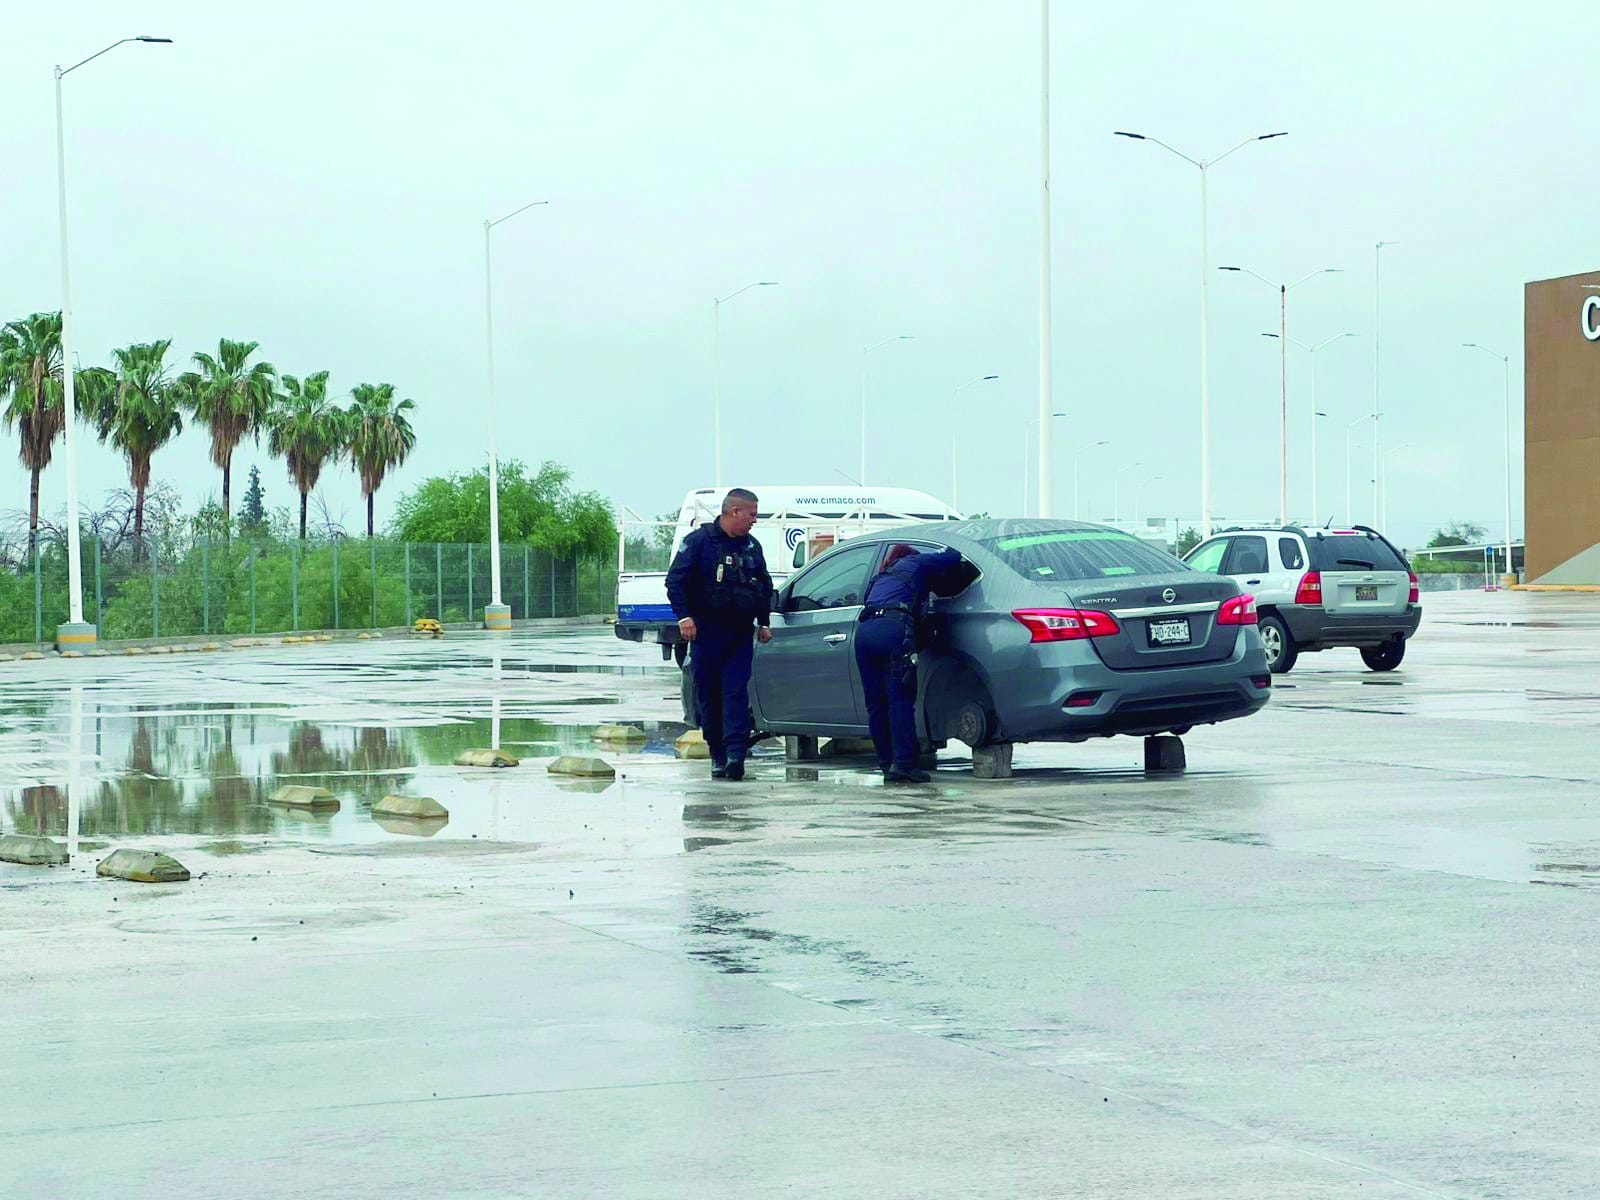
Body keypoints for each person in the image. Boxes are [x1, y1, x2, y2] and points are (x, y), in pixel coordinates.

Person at [665, 488, 773, 781]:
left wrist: (764, 622)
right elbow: (675, 581)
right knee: (709, 695)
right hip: (706, 632)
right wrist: (684, 617)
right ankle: (718, 755)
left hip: (739, 633)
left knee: (736, 693)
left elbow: (764, 585)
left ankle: (736, 754)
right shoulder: (699, 542)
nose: (755, 520)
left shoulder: (751, 547)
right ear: (734, 512)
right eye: (752, 514)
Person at [855, 543, 964, 784]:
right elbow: (953, 556)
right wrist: (948, 540)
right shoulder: (915, 563)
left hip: (864, 633)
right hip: (893, 630)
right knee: (900, 700)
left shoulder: (880, 577)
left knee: (876, 704)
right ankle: (903, 765)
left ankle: (887, 765)